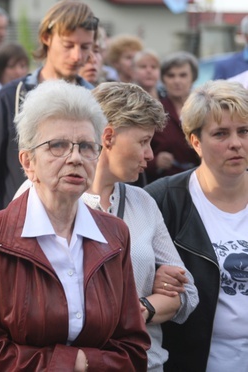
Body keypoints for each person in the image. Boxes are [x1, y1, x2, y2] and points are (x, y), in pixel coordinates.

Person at [0, 80, 150, 371]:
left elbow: (133, 349)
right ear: (28, 162)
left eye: (86, 146)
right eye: (57, 146)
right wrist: (77, 363)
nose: (74, 158)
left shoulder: (114, 233)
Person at [85, 82, 198, 370]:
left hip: (144, 364)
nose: (150, 154)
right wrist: (152, 296)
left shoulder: (143, 202)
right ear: (108, 137)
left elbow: (187, 294)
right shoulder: (50, 197)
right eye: (143, 141)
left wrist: (143, 308)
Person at [0, 0, 97, 229]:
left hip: (83, 231)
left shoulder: (97, 100)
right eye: (68, 45)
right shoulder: (10, 98)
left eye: (85, 47)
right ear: (46, 38)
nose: (77, 56)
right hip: (19, 232)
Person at [145, 81, 248, 371]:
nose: (236, 143)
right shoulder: (163, 200)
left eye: (244, 131)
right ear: (195, 142)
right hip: (195, 360)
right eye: (220, 133)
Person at [146, 52, 200, 184]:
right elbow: (136, 149)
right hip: (165, 184)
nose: (177, 81)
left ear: (193, 77)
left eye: (183, 75)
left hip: (202, 183)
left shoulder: (206, 109)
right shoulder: (153, 111)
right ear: (163, 79)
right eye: (171, 75)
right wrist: (155, 161)